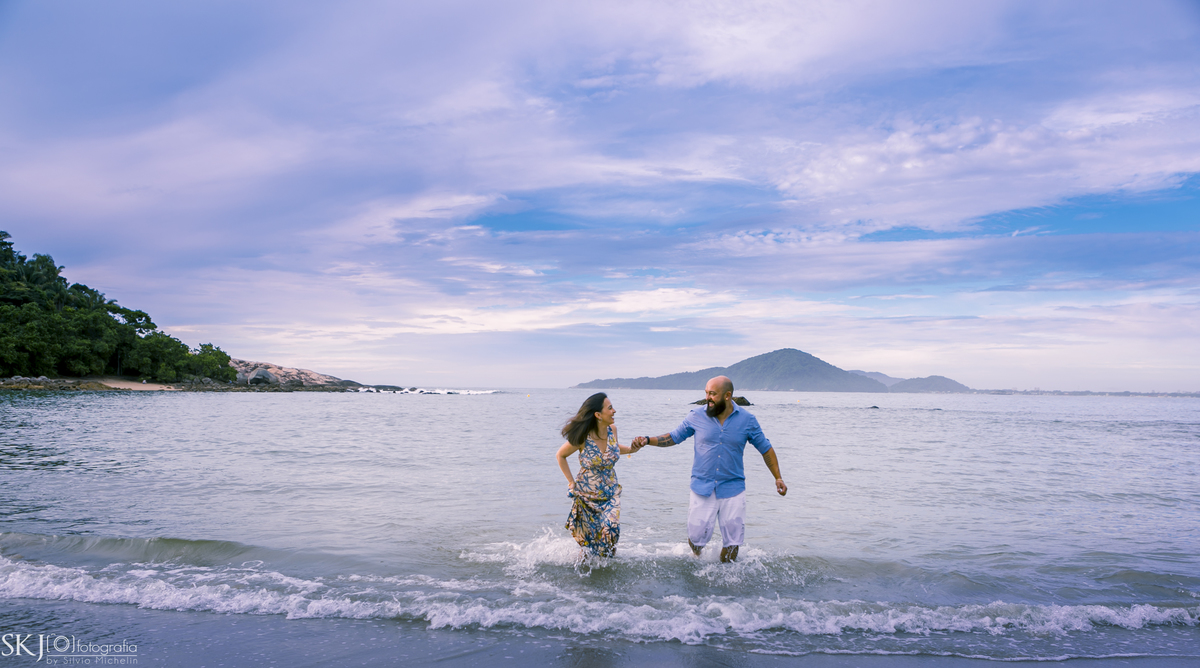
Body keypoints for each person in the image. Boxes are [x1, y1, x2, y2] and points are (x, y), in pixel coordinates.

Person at [633, 375, 786, 563]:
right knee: (696, 540)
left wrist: (777, 478)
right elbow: (673, 437)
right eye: (706, 393)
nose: (708, 398)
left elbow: (766, 449)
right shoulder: (696, 416)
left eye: (713, 394)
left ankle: (724, 582)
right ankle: (697, 556)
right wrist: (647, 440)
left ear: (728, 395)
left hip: (733, 488)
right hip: (701, 487)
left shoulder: (748, 420)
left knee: (732, 543)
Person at [556, 392, 640, 558]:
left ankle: (609, 571)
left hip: (610, 494)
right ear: (598, 415)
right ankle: (586, 576)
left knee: (611, 531)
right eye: (610, 408)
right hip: (587, 497)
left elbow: (613, 449)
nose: (614, 411)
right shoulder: (583, 437)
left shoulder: (612, 431)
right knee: (588, 545)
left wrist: (631, 449)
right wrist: (571, 482)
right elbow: (561, 455)